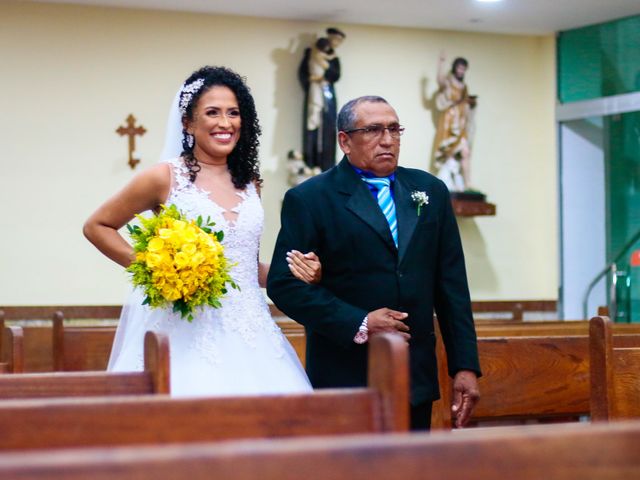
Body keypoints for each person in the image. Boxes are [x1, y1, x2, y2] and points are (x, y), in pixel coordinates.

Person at [84, 66, 320, 396]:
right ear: (188, 123)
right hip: (183, 330)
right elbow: (97, 226)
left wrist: (296, 270)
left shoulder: (251, 183)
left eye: (234, 113)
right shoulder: (164, 178)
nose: (225, 123)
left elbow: (245, 266)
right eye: (212, 112)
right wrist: (154, 269)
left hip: (253, 333)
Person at [267, 95, 481, 430]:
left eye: (395, 129)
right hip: (345, 375)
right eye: (374, 130)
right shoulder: (311, 198)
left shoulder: (429, 190)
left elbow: (451, 285)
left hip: (414, 376)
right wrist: (360, 322)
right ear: (344, 140)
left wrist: (464, 365)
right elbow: (284, 284)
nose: (388, 140)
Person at [298, 27, 346, 172]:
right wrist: (312, 80)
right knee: (312, 122)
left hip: (327, 94)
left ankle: (327, 164)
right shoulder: (311, 52)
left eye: (340, 41)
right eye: (335, 39)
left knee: (329, 125)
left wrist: (323, 74)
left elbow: (335, 75)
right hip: (314, 91)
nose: (336, 43)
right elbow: (303, 73)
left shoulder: (334, 58)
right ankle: (310, 162)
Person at [433, 54, 477, 192]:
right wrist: (441, 63)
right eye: (459, 68)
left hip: (461, 122)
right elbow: (440, 82)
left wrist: (471, 104)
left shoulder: (464, 87)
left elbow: (465, 104)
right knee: (449, 154)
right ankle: (451, 184)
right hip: (449, 122)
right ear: (455, 68)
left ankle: (467, 183)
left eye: (464, 69)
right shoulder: (449, 82)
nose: (461, 71)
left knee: (465, 152)